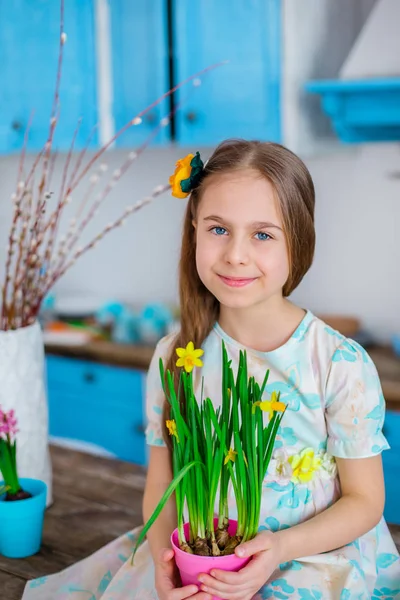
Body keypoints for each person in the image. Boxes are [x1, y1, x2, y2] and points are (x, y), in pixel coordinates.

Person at [23, 140, 400, 599]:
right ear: (194, 232)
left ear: (297, 242)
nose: (235, 254)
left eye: (263, 234)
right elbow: (162, 489)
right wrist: (166, 563)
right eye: (218, 229)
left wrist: (278, 548)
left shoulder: (338, 363)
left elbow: (364, 502)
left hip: (309, 556)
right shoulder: (175, 358)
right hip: (196, 556)